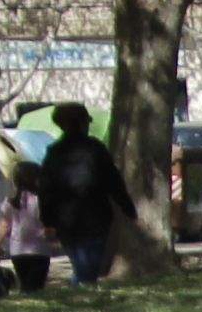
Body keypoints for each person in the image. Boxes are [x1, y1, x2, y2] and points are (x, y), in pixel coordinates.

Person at [27, 99, 131, 281]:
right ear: (81, 123)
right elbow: (113, 180)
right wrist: (126, 206)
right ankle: (81, 289)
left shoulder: (54, 153)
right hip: (95, 218)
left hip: (65, 220)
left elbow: (46, 189)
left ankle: (81, 287)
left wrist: (47, 219)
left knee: (83, 265)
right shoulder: (95, 149)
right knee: (87, 268)